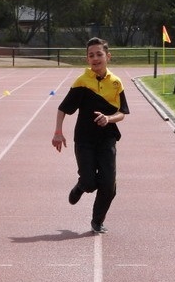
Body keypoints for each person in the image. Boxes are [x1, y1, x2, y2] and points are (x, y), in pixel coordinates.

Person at [52, 37, 129, 234]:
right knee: (89, 182)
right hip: (85, 140)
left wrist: (108, 119)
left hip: (107, 139)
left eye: (99, 54)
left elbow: (122, 113)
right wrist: (58, 132)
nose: (95, 58)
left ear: (108, 57)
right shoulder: (82, 82)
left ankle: (97, 221)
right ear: (87, 59)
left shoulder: (116, 83)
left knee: (108, 185)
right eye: (91, 55)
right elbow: (63, 109)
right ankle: (81, 185)